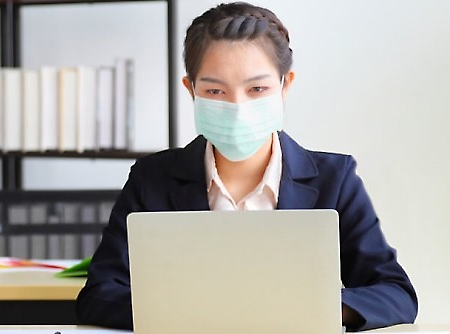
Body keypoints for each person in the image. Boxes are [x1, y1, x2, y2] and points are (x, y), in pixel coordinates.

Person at [76, 1, 418, 331]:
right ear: (190, 90)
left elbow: (395, 294)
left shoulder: (335, 179)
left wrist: (310, 308)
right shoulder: (152, 178)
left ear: (286, 86)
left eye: (257, 88)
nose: (238, 106)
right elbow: (99, 295)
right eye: (215, 91)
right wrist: (202, 311)